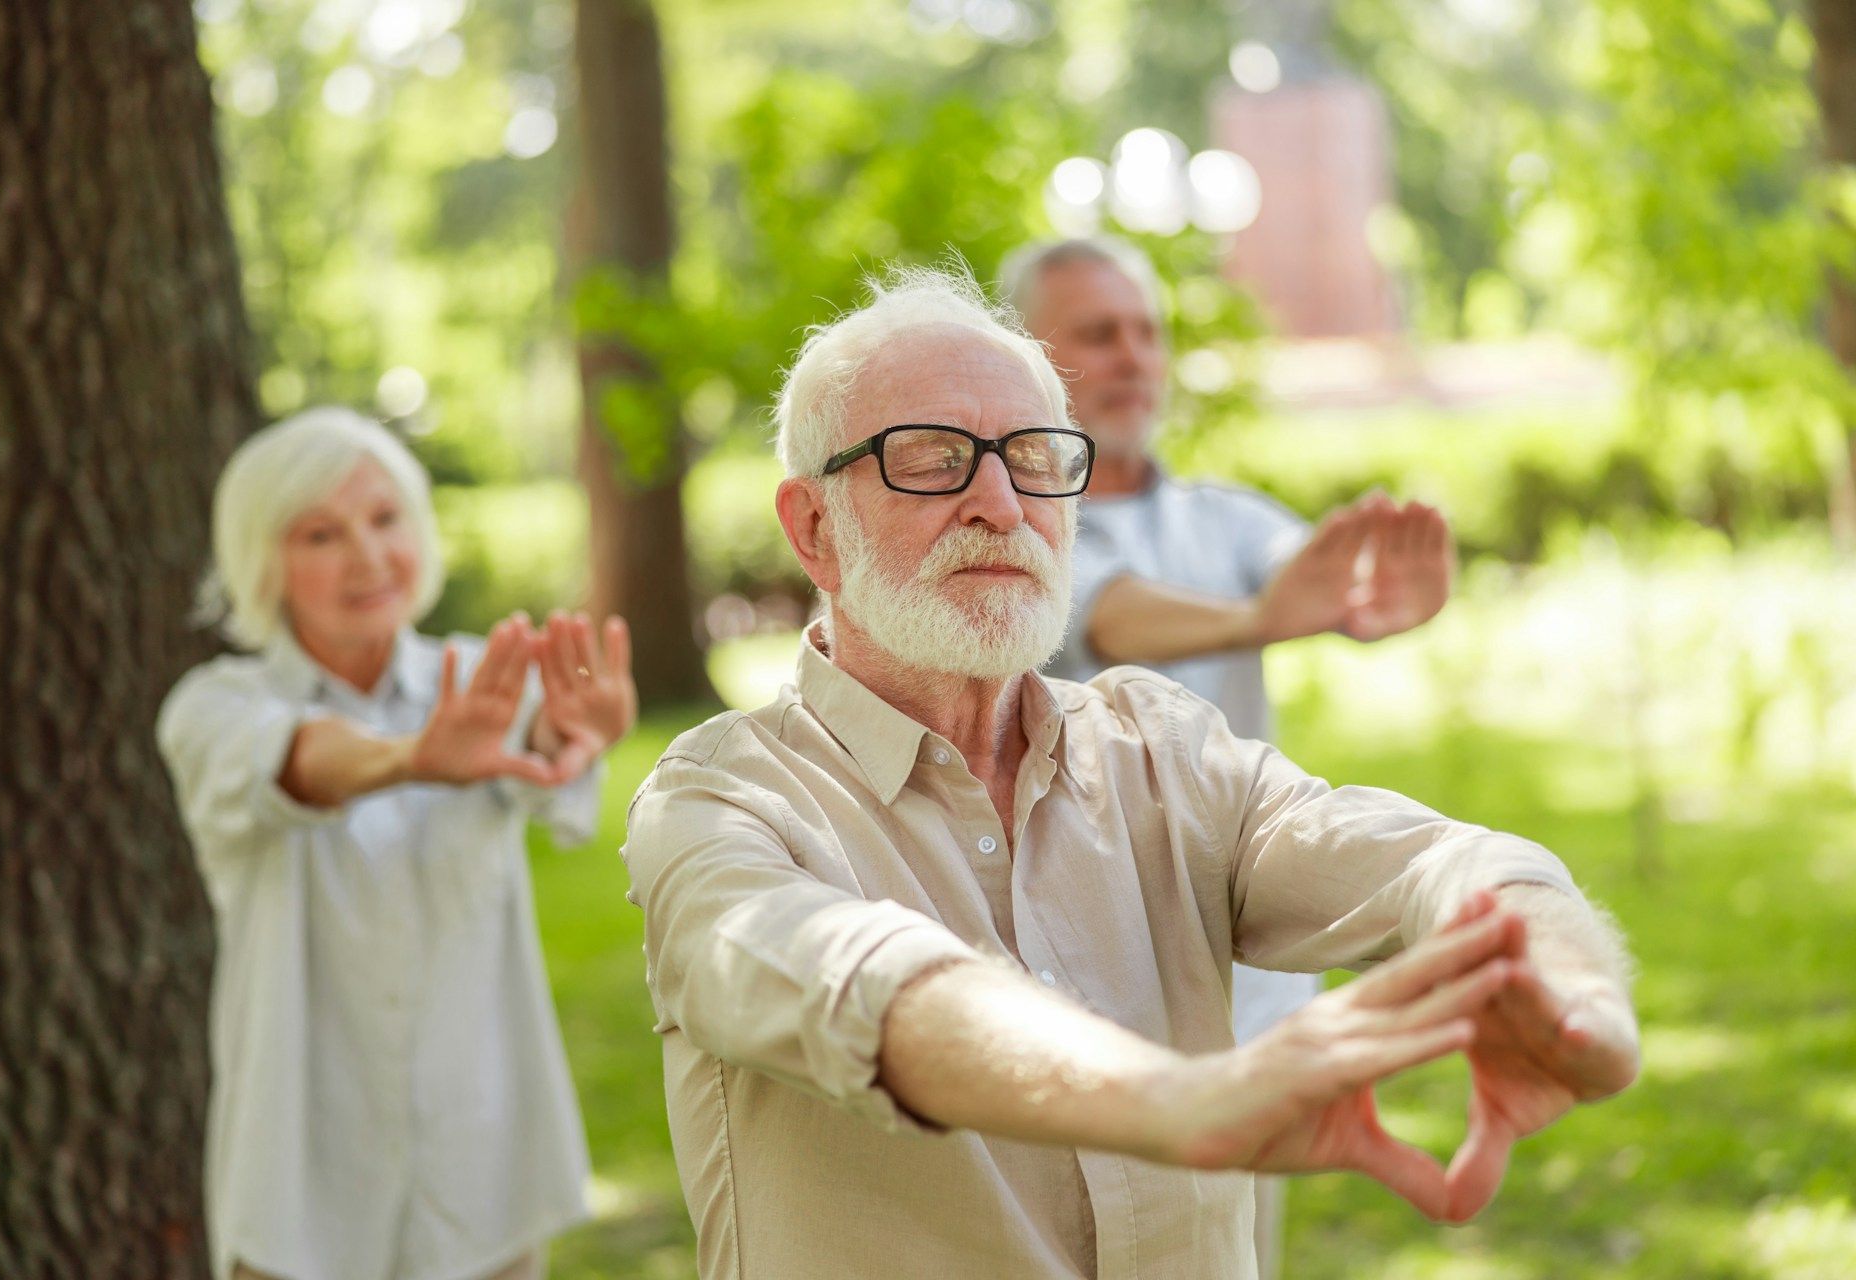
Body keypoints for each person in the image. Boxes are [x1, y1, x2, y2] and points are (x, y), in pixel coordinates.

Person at [619, 267, 1637, 1280]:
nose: (999, 501)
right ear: (812, 528)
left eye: (1033, 458)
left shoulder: (1162, 749)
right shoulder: (719, 798)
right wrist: (1174, 1100)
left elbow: (1436, 862)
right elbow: (860, 983)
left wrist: (1566, 983)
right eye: (930, 459)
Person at [1002, 235, 1458, 1276]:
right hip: (1067, 976)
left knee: (1232, 1251)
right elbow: (1108, 617)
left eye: (1148, 332)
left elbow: (1305, 572)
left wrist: (1363, 593)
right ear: (1027, 355)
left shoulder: (1226, 515)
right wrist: (1257, 615)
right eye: (1099, 332)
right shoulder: (1015, 524)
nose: (1133, 356)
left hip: (1237, 980)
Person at [157, 407, 638, 1280]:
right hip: (303, 1196)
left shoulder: (479, 681)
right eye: (320, 534)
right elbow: (299, 761)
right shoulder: (213, 707)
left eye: (384, 520)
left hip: (484, 1183)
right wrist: (414, 758)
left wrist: (577, 737)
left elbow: (552, 775)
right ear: (264, 559)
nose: (368, 557)